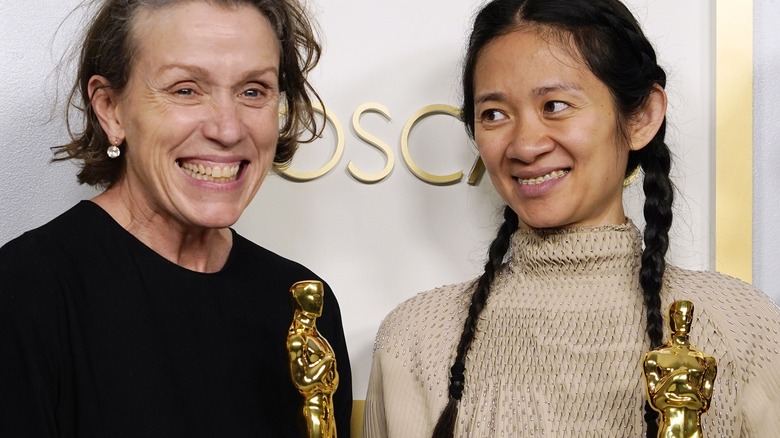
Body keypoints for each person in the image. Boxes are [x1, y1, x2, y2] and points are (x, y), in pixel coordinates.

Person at [362, 0, 780, 437]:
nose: (525, 145)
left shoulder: (743, 328)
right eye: (495, 114)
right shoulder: (415, 339)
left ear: (642, 116)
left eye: (556, 105)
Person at [0, 0, 352, 436]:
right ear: (111, 109)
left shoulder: (300, 302)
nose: (227, 128)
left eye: (253, 91)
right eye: (186, 89)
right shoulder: (24, 290)